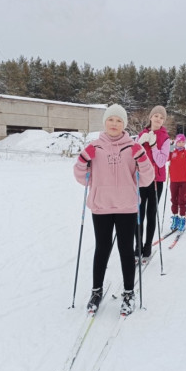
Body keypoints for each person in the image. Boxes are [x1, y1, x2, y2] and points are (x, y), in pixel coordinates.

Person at [74, 104, 154, 316]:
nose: (114, 124)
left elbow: (147, 179)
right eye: (111, 119)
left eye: (119, 120)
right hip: (101, 206)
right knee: (102, 249)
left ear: (124, 124)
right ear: (105, 122)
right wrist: (83, 159)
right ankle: (96, 290)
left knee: (126, 250)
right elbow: (81, 178)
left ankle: (129, 292)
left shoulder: (133, 147)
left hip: (127, 206)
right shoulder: (95, 147)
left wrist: (142, 158)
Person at [135, 105, 170, 260]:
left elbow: (162, 162)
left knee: (151, 213)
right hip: (141, 179)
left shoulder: (166, 138)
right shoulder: (141, 134)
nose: (158, 119)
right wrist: (140, 144)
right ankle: (138, 245)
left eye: (161, 117)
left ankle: (148, 245)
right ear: (150, 117)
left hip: (157, 180)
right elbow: (132, 156)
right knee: (139, 213)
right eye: (156, 116)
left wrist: (155, 146)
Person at [168, 134, 186, 231]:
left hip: (184, 180)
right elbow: (166, 158)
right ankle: (175, 217)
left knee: (182, 200)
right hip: (173, 180)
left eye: (182, 142)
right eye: (179, 142)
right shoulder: (172, 152)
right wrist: (169, 149)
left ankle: (182, 218)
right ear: (176, 142)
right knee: (174, 200)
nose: (181, 143)